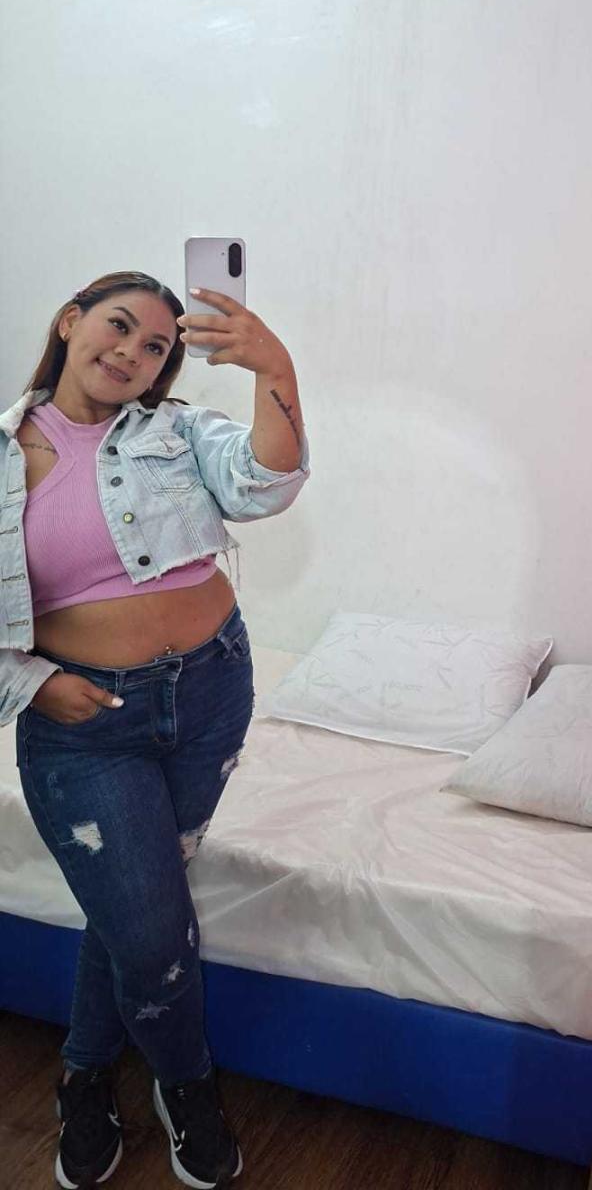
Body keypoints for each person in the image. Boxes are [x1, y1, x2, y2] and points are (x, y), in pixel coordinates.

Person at [0, 271, 311, 1188]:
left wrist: (275, 369)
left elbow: (265, 486)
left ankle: (86, 1074)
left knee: (140, 907)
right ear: (70, 322)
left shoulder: (174, 431)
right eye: (118, 326)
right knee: (148, 932)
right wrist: (31, 683)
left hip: (212, 693)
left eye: (156, 347)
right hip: (85, 726)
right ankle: (187, 1082)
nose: (132, 353)